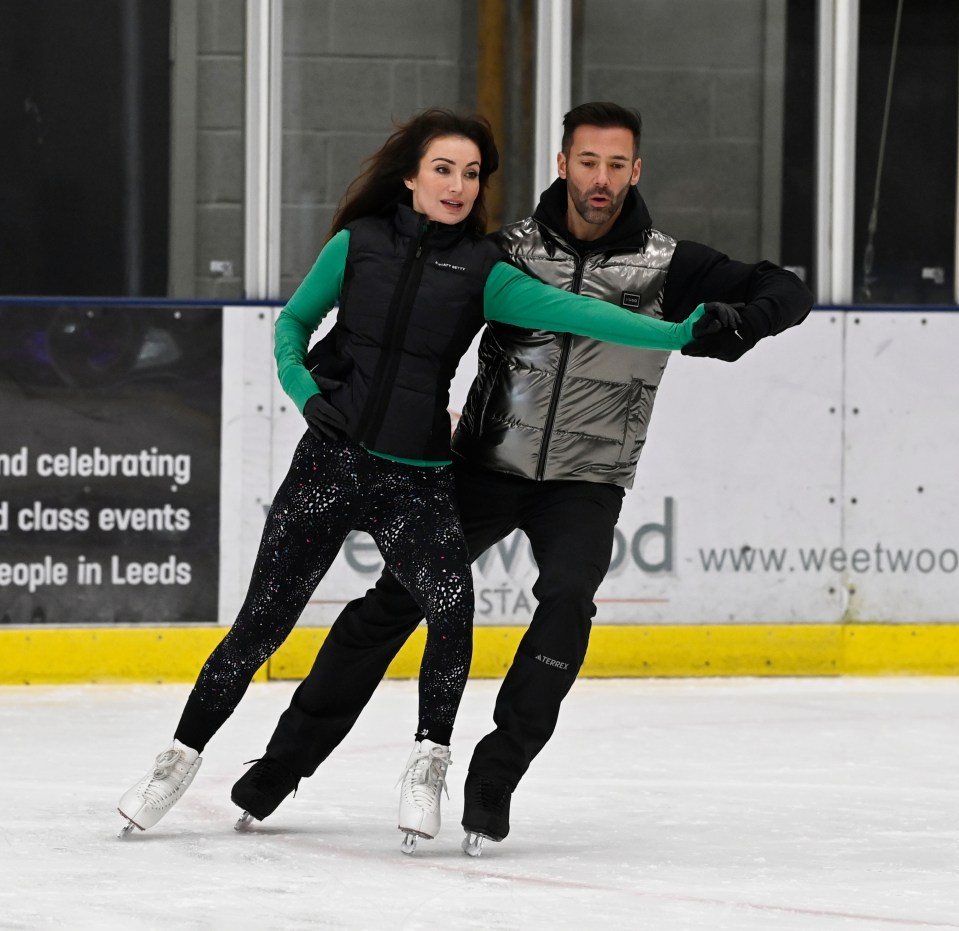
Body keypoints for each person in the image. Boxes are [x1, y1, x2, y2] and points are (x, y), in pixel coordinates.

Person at [116, 107, 722, 846]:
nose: (458, 185)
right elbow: (290, 326)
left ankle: (427, 765)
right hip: (331, 466)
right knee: (258, 630)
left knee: (449, 610)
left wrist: (679, 334)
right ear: (409, 176)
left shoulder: (484, 272)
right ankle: (176, 762)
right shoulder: (357, 245)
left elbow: (582, 313)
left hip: (418, 477)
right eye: (443, 169)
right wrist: (305, 393)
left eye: (471, 174)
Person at [227, 101, 813, 855]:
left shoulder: (670, 264)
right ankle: (282, 765)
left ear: (634, 172)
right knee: (392, 603)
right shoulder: (505, 252)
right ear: (563, 164)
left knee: (568, 596)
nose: (600, 179)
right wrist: (335, 367)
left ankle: (493, 777)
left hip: (586, 480)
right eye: (587, 161)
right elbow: (410, 317)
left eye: (615, 165)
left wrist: (743, 320)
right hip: (483, 465)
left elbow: (785, 287)